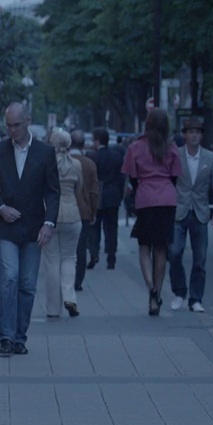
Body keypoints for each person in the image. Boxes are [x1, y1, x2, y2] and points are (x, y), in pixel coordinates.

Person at [0, 103, 59, 357]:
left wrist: (49, 223)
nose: (12, 130)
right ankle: (5, 336)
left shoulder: (45, 152)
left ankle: (19, 336)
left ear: (28, 121)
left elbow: (52, 191)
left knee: (27, 283)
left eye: (16, 125)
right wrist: (1, 208)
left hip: (33, 227)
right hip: (6, 227)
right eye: (8, 125)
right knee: (9, 277)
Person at [122, 109, 181, 316]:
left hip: (145, 198)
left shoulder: (136, 147)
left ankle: (151, 290)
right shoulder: (171, 149)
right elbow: (175, 177)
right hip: (167, 198)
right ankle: (158, 287)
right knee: (161, 249)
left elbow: (132, 178)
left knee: (144, 246)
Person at [168, 116, 213, 313]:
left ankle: (196, 298)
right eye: (191, 132)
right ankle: (179, 292)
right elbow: (168, 180)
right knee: (174, 252)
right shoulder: (175, 154)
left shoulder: (210, 158)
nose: (194, 135)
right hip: (179, 210)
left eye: (198, 132)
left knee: (200, 258)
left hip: (200, 212)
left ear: (201, 136)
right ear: (184, 135)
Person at [41, 129, 86, 319]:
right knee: (69, 257)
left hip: (49, 215)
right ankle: (70, 296)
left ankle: (53, 308)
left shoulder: (46, 163)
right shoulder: (76, 164)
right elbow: (80, 188)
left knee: (52, 260)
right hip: (72, 214)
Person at [88, 127, 124, 270]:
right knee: (111, 228)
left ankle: (94, 253)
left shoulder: (93, 157)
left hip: (97, 195)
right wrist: (119, 195)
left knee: (95, 227)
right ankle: (111, 257)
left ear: (97, 140)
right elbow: (121, 178)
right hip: (113, 194)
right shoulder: (116, 156)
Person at [69, 130, 100, 292]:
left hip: (64, 210)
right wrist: (93, 211)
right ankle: (78, 280)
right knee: (81, 248)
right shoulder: (89, 164)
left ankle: (66, 278)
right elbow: (94, 191)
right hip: (83, 211)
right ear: (83, 145)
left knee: (65, 249)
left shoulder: (62, 162)